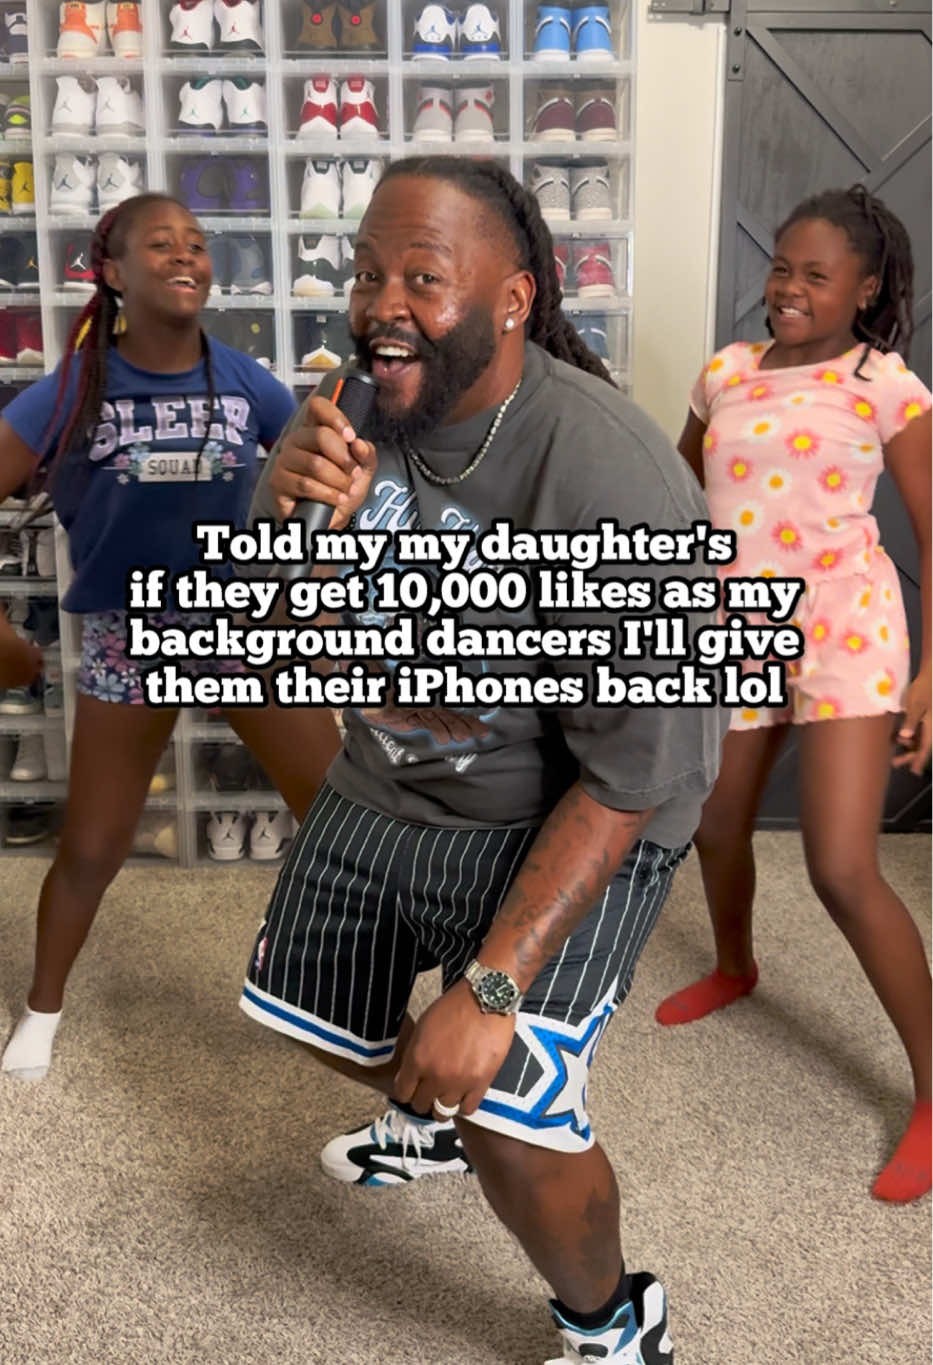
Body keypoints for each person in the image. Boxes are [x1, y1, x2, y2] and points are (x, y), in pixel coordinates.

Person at [238, 155, 727, 1364]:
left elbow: (630, 773)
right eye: (367, 274)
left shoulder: (611, 475)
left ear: (514, 300)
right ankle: (436, 1118)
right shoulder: (348, 412)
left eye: (423, 278)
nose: (380, 306)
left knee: (510, 1110)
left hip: (583, 807)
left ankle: (615, 1325)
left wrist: (493, 987)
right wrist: (291, 537)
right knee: (306, 1016)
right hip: (395, 775)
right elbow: (277, 642)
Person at [0, 193, 341, 1083]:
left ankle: (339, 977)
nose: (187, 255)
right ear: (112, 271)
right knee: (92, 845)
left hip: (239, 622)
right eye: (161, 243)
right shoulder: (69, 390)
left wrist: (312, 600)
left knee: (345, 815)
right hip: (131, 636)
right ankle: (42, 1007)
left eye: (197, 243)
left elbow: (323, 492)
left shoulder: (247, 382)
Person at [654, 185, 932, 1204]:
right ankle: (736, 967)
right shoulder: (725, 372)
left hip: (845, 627)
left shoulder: (886, 384)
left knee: (842, 869)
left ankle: (932, 1086)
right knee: (712, 824)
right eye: (781, 266)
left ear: (865, 288)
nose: (789, 287)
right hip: (737, 626)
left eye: (816, 274)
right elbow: (678, 499)